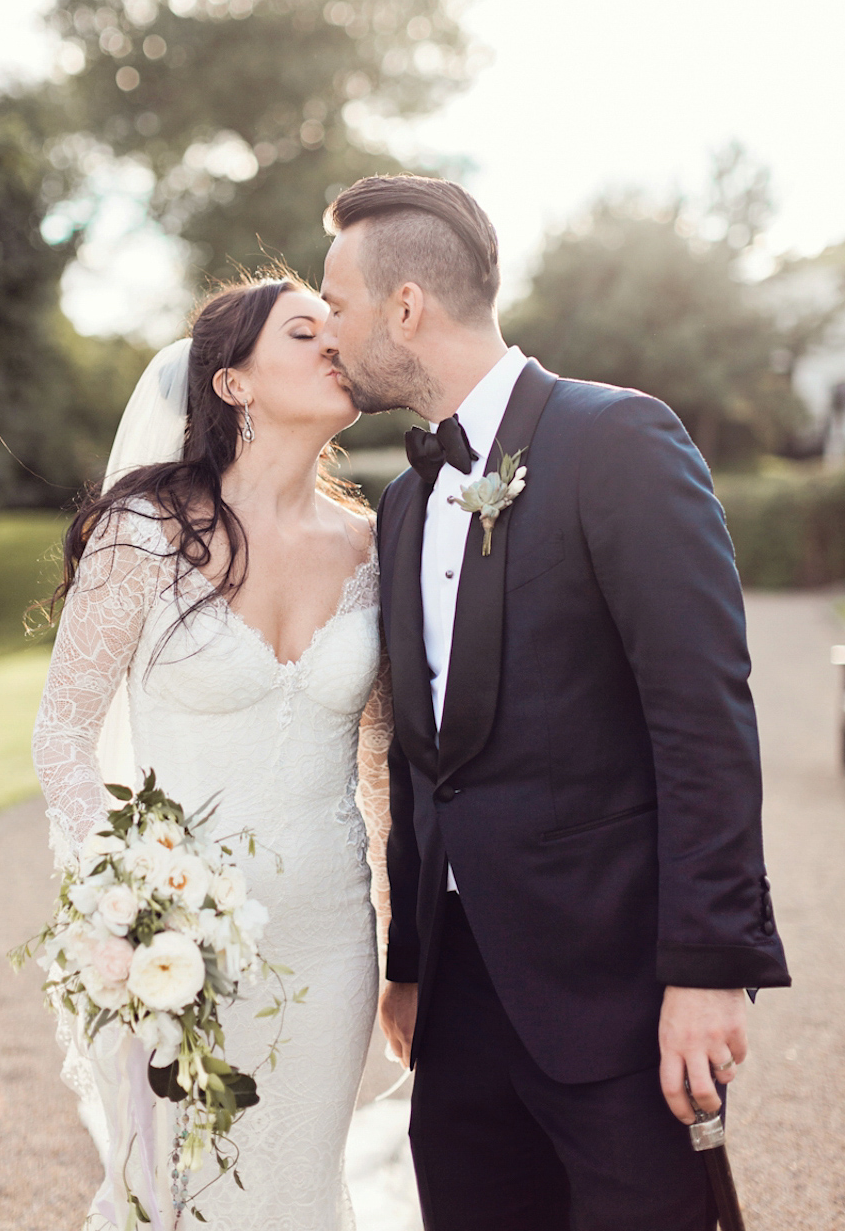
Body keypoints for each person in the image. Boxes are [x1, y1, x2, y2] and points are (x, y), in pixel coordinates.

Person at [320, 175, 791, 1231]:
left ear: (407, 308)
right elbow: (414, 753)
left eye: (338, 303)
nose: (327, 333)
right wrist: (409, 966)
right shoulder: (403, 505)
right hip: (457, 1004)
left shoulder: (618, 441)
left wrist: (711, 971)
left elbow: (703, 716)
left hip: (617, 995)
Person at [32, 274, 393, 1231]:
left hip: (330, 941)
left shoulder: (373, 549)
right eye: (304, 333)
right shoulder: (143, 533)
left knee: (298, 1193)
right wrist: (125, 892)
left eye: (336, 331)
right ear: (233, 383)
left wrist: (404, 950)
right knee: (178, 1194)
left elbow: (382, 766)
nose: (334, 347)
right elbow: (63, 731)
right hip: (175, 947)